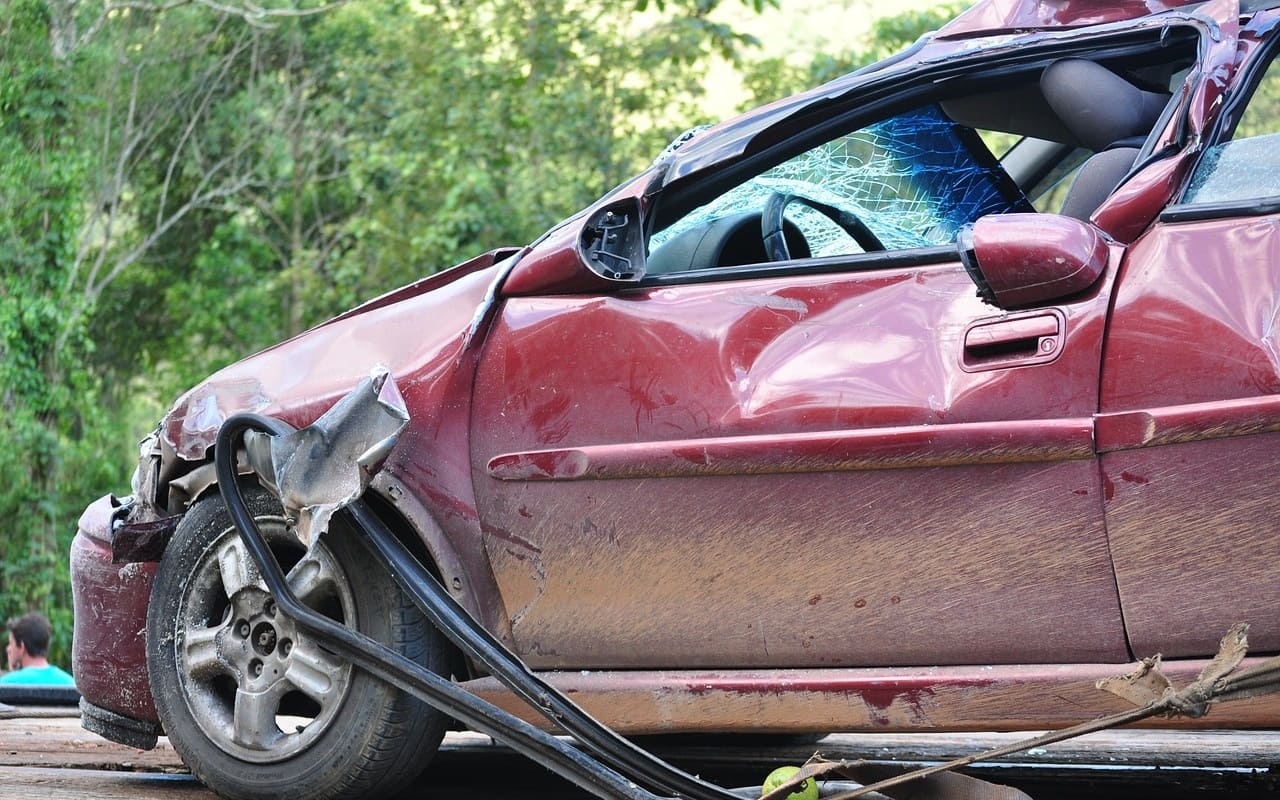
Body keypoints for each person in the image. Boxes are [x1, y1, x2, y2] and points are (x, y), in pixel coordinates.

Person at [2, 612, 75, 686]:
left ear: (22, 647)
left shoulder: (5, 684)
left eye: (11, 643)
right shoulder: (70, 683)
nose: (8, 649)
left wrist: (12, 674)